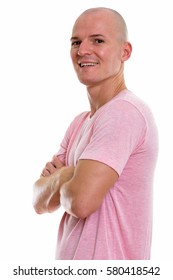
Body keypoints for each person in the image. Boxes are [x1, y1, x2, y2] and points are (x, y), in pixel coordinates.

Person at [32, 7, 158, 260]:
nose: (83, 50)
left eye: (97, 40)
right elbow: (39, 201)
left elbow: (80, 202)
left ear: (125, 52)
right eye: (76, 42)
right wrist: (68, 176)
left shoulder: (123, 112)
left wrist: (62, 175)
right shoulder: (80, 122)